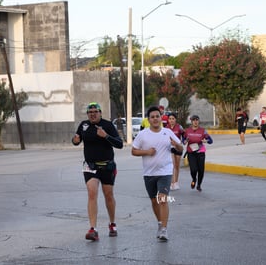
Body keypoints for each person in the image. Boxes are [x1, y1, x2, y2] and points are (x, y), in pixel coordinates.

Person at [72, 102, 123, 241]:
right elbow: (76, 139)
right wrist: (75, 140)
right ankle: (93, 229)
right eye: (90, 112)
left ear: (100, 112)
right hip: (90, 166)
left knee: (108, 195)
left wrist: (105, 136)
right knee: (92, 194)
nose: (93, 114)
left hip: (107, 166)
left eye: (95, 111)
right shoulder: (84, 125)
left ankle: (112, 224)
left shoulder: (108, 125)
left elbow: (120, 144)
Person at [131, 106, 183, 242]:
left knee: (162, 199)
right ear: (149, 120)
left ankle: (164, 229)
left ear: (161, 118)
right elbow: (134, 151)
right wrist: (147, 152)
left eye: (157, 116)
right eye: (152, 117)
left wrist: (176, 145)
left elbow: (181, 147)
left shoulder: (168, 132)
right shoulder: (143, 135)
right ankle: (160, 223)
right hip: (149, 173)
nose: (155, 119)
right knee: (154, 200)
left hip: (165, 172)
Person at [183, 115, 213, 192]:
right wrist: (185, 141)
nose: (195, 122)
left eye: (197, 120)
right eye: (194, 120)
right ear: (191, 121)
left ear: (198, 121)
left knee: (201, 170)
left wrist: (206, 141)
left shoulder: (203, 130)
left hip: (200, 153)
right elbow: (183, 140)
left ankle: (199, 185)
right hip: (191, 153)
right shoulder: (187, 131)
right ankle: (194, 179)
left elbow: (210, 140)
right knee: (193, 169)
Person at [167, 112, 185, 190]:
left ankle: (176, 182)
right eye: (170, 119)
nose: (171, 120)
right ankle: (171, 183)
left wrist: (183, 142)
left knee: (177, 166)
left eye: (173, 119)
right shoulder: (166, 128)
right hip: (170, 148)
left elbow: (184, 135)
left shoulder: (179, 127)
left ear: (175, 119)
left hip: (178, 147)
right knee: (172, 165)